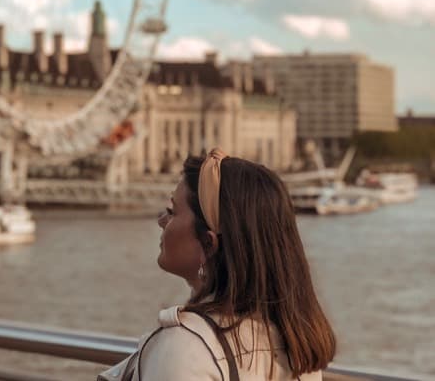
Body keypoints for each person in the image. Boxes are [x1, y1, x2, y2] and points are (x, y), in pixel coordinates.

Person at [100, 149, 336, 380]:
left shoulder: (183, 347)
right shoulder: (299, 349)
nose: (161, 220)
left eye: (172, 211)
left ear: (208, 243)